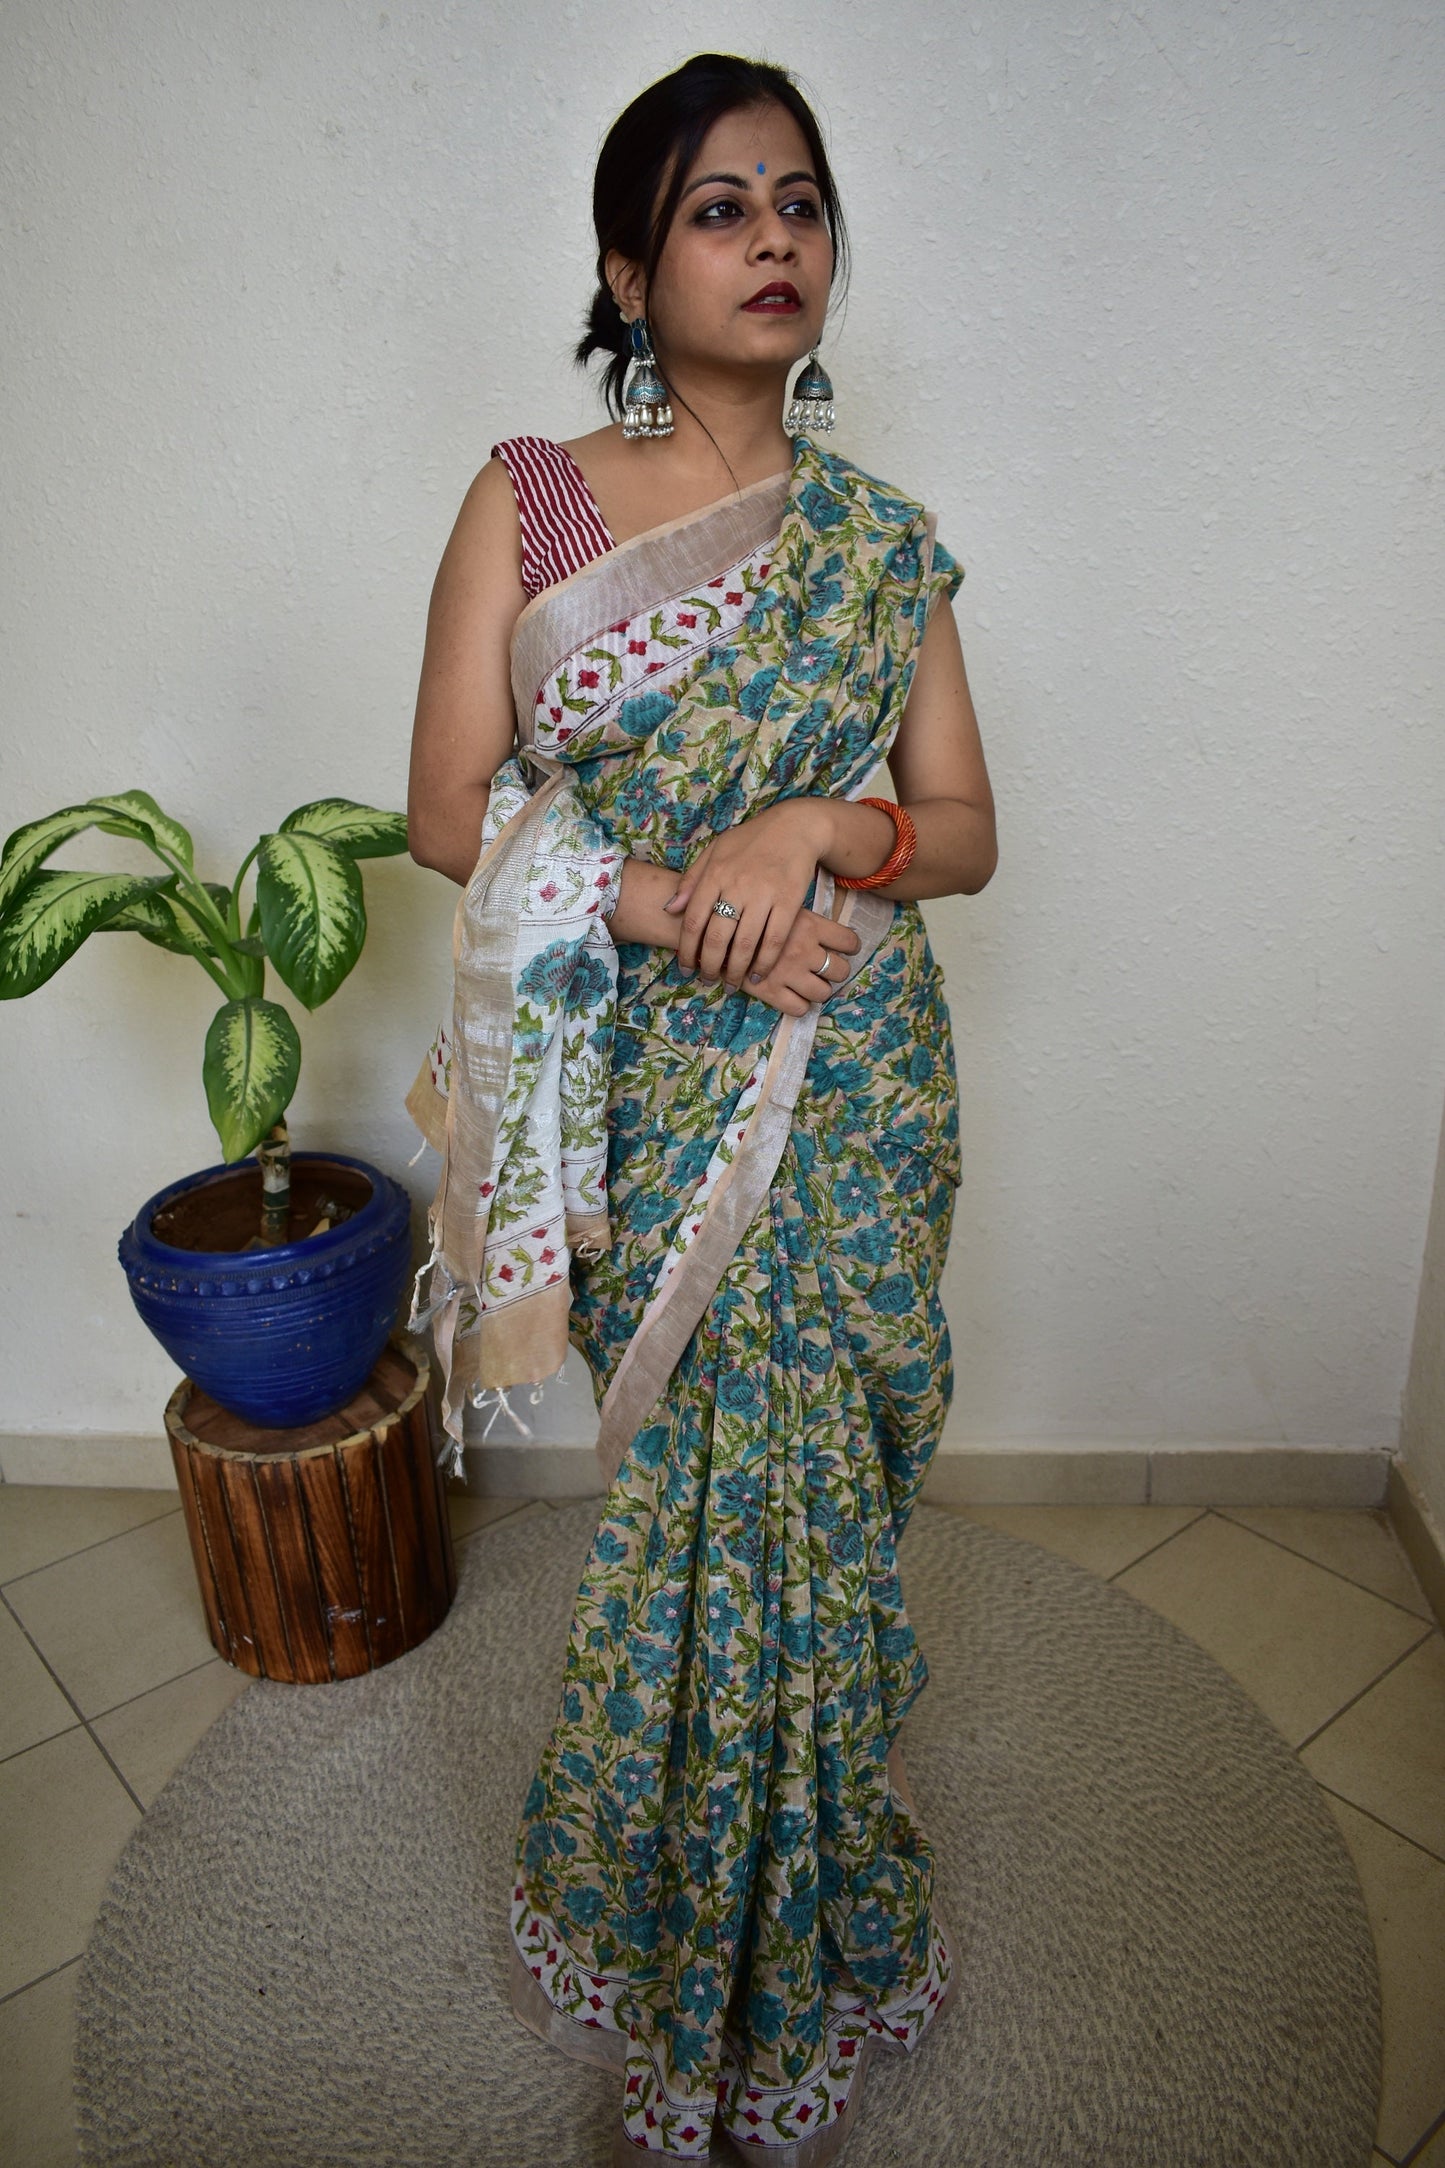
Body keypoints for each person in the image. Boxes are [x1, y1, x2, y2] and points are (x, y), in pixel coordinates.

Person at [404, 50, 997, 2166]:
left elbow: (962, 833)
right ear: (626, 268)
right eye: (719, 207)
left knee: (818, 1506)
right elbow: (446, 809)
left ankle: (805, 1908)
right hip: (652, 1081)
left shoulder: (882, 543)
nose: (773, 241)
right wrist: (673, 900)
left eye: (800, 202)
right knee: (701, 1506)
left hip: (858, 1074)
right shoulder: (537, 500)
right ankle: (677, 1923)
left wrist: (815, 827)